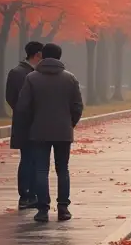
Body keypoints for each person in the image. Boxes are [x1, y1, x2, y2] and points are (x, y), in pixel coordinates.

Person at [14, 43, 84, 223]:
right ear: (59, 57)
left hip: (38, 131)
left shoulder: (32, 78)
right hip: (63, 131)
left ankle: (43, 209)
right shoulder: (70, 78)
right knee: (63, 170)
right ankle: (63, 208)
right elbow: (77, 106)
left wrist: (31, 124)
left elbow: (23, 107)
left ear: (43, 56)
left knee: (41, 170)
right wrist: (69, 123)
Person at [6, 40, 43, 209]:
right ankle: (27, 195)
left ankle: (29, 195)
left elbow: (10, 97)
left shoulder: (17, 72)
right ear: (37, 55)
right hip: (29, 123)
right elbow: (13, 97)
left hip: (25, 122)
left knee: (30, 159)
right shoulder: (25, 74)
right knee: (29, 159)